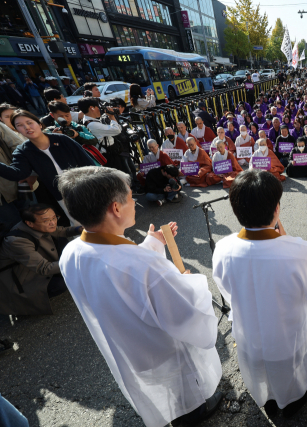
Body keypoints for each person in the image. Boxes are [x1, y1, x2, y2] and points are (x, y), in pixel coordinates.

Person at [57, 166, 223, 427]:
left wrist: (153, 244)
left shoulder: (72, 252)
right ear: (115, 208)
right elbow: (184, 316)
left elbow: (121, 277)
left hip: (127, 343)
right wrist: (188, 282)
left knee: (164, 386)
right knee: (182, 385)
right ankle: (193, 413)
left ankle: (180, 413)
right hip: (161, 344)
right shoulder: (141, 264)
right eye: (131, 195)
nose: (135, 201)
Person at [212, 169, 307, 418]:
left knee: (260, 374)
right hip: (289, 336)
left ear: (236, 210)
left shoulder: (224, 248)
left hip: (250, 334)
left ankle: (267, 399)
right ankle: (293, 401)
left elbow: (227, 290)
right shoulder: (300, 252)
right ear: (277, 209)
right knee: (292, 373)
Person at [0, 110, 94, 225]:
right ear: (16, 130)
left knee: (104, 222)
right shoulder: (23, 151)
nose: (27, 127)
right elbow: (18, 173)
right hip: (63, 196)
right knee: (81, 226)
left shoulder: (62, 139)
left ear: (39, 124)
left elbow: (89, 164)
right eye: (19, 125)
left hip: (87, 190)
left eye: (29, 123)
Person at [0, 204, 82, 315]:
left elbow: (61, 231)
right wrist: (76, 261)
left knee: (64, 243)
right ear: (29, 223)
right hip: (24, 279)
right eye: (46, 221)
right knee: (60, 284)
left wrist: (80, 229)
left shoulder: (35, 225)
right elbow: (44, 268)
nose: (53, 222)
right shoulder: (16, 241)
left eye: (54, 218)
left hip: (33, 266)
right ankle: (31, 301)